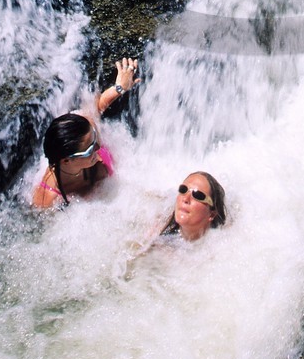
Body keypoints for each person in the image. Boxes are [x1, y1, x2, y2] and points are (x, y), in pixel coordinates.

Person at [32, 56, 139, 209]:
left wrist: (120, 87)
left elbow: (95, 108)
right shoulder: (48, 199)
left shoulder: (85, 131)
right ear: (67, 160)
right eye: (90, 148)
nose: (98, 147)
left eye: (95, 139)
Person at [155, 171, 227, 242]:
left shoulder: (221, 247)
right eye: (183, 189)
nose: (185, 199)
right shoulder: (156, 234)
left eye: (198, 195)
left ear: (212, 214)